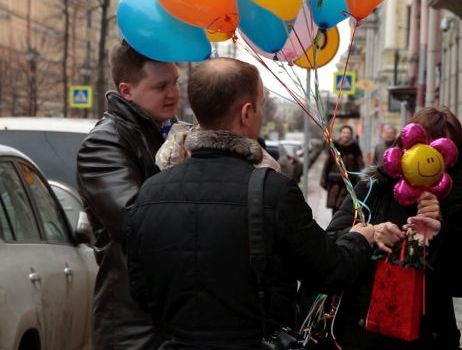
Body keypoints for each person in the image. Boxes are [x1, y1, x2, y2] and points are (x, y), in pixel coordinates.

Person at [125, 58, 396, 349]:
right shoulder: (273, 191)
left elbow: (141, 291)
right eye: (262, 105)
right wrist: (361, 237)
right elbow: (329, 271)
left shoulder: (149, 192)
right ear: (246, 112)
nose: (262, 114)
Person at [320, 107, 462, 350]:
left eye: (441, 149)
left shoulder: (461, 200)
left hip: (427, 336)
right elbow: (330, 246)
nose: (429, 158)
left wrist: (443, 230)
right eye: (423, 145)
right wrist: (369, 234)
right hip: (362, 333)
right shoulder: (374, 189)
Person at [77, 40, 180, 349]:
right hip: (131, 325)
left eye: (176, 82)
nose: (173, 93)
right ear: (127, 90)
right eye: (161, 86)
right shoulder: (104, 144)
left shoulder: (162, 133)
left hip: (163, 314)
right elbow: (133, 219)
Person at [320, 125, 364, 214]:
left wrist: (360, 181)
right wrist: (324, 180)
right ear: (340, 134)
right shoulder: (334, 146)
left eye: (348, 133)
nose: (346, 135)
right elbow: (327, 165)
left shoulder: (355, 148)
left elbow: (360, 166)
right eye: (344, 133)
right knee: (336, 209)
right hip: (335, 184)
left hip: (350, 185)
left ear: (351, 135)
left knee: (348, 209)